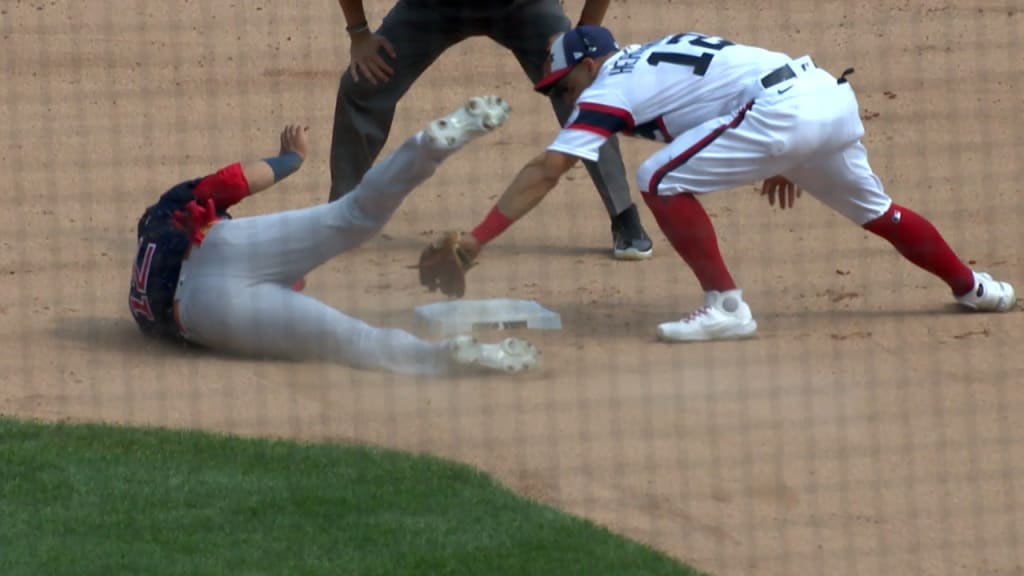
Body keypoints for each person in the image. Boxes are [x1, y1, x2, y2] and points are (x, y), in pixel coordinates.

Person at [437, 26, 1016, 342]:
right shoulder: (656, 54)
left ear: (590, 65)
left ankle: (725, 306)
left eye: (564, 86)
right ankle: (977, 289)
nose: (566, 98)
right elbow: (725, 87)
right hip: (823, 99)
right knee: (880, 212)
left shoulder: (609, 85)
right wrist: (780, 159)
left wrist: (477, 239)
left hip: (779, 113)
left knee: (656, 178)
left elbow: (547, 169)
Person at [128, 96, 539, 374]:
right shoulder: (165, 211)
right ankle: (426, 147)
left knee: (355, 342)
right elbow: (231, 181)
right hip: (221, 246)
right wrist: (291, 158)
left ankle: (451, 358)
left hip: (205, 312)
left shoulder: (140, 306)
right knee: (355, 213)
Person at [329, 0, 654, 260]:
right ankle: (340, 215)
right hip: (430, 7)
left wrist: (583, 35)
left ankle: (624, 217)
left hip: (525, 6)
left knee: (584, 91)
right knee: (363, 83)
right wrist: (359, 33)